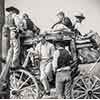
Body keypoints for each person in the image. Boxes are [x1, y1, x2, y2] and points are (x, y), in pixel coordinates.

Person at [0, 6, 21, 86]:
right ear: (14, 11)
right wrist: (18, 32)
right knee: (17, 49)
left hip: (10, 34)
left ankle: (9, 61)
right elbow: (18, 25)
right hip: (14, 32)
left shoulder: (7, 18)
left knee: (11, 49)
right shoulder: (14, 16)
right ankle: (14, 64)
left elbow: (5, 27)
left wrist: (5, 33)